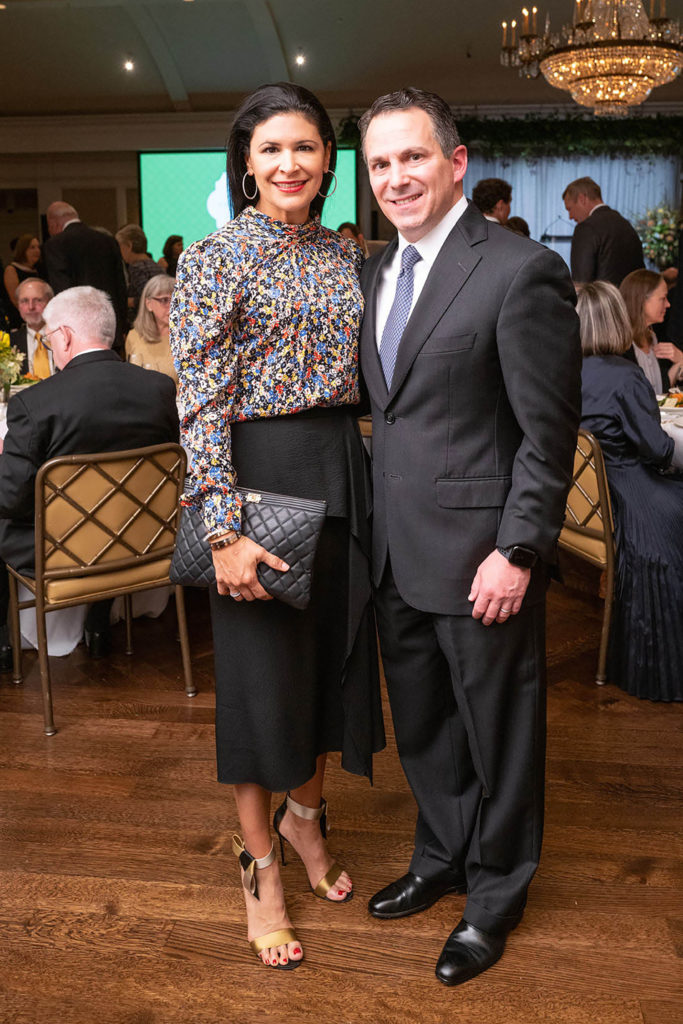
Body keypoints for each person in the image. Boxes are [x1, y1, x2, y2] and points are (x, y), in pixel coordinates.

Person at [358, 87, 581, 987]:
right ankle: (440, 855)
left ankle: (494, 896)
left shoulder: (518, 269)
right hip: (393, 552)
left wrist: (518, 547)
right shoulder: (376, 269)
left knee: (499, 735)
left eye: (412, 157)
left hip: (482, 555)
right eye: (379, 164)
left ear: (454, 162)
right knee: (424, 730)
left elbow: (546, 428)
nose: (396, 177)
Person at [169, 82, 384, 973]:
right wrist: (221, 527)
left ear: (327, 159)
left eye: (304, 147)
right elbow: (199, 400)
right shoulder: (215, 258)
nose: (289, 163)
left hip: (342, 467)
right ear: (247, 165)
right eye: (271, 150)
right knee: (262, 680)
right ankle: (257, 864)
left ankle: (305, 820)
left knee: (331, 662)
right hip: (256, 485)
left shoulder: (348, 257)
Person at [0, 286, 178, 663]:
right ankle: (98, 620)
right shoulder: (160, 389)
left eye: (49, 338)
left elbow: (11, 499)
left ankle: (4, 639)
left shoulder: (34, 404)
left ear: (63, 335)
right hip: (143, 540)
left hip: (57, 553)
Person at [578, 281, 683, 701]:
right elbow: (657, 449)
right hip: (629, 496)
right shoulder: (624, 376)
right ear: (617, 322)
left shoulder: (561, 370)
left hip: (590, 504)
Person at [42, 202, 128, 353]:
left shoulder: (55, 245)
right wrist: (122, 326)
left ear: (53, 223)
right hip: (112, 329)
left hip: (78, 335)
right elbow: (121, 287)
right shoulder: (108, 241)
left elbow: (62, 292)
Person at [563, 176, 644, 286]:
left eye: (570, 209)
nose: (570, 217)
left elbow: (581, 284)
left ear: (582, 199)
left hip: (602, 302)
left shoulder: (586, 228)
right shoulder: (626, 225)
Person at [619, 269, 683, 392]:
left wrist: (680, 361)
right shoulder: (620, 347)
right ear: (642, 301)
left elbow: (658, 391)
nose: (668, 304)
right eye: (663, 298)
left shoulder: (652, 337)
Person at [125, 274, 178, 383]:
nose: (172, 306)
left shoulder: (186, 338)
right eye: (164, 300)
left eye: (176, 300)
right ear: (148, 304)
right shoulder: (134, 336)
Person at [116, 224, 165, 320]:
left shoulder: (136, 268)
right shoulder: (156, 266)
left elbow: (146, 298)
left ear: (129, 246)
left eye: (120, 247)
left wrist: (129, 302)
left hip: (144, 323)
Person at [11, 278, 56, 378]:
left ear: (51, 303)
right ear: (18, 305)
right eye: (24, 301)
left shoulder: (66, 337)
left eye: (38, 300)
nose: (31, 307)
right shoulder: (9, 342)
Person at [2, 234, 41, 330]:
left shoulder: (39, 270)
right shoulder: (12, 270)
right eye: (32, 247)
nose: (37, 251)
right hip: (19, 322)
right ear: (23, 250)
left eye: (38, 247)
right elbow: (16, 300)